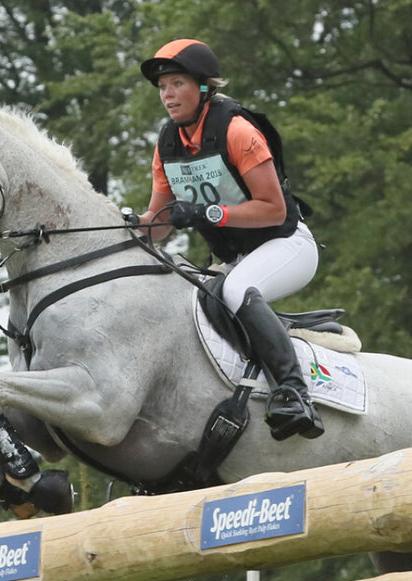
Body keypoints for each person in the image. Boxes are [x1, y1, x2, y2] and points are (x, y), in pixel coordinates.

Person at [138, 38, 323, 441]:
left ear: (204, 87)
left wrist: (208, 213)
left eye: (177, 84)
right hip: (235, 258)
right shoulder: (167, 144)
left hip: (287, 244)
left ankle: (294, 392)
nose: (168, 95)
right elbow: (158, 224)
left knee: (237, 289)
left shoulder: (237, 130)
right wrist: (125, 226)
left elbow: (273, 209)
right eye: (163, 87)